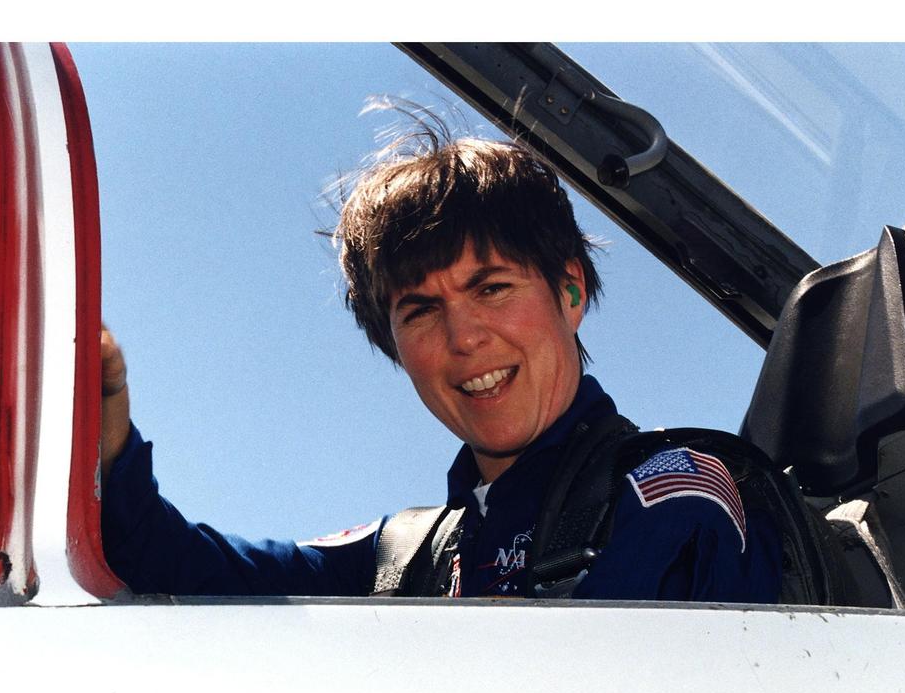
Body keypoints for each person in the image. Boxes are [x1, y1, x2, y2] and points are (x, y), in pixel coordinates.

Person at [99, 127, 781, 602]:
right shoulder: (408, 556)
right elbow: (173, 567)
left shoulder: (676, 496)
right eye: (422, 310)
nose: (464, 337)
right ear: (393, 345)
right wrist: (106, 439)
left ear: (570, 291)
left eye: (492, 288)